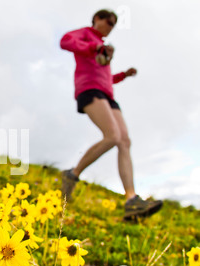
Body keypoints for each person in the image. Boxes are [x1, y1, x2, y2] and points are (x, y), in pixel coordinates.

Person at [59, 9, 162, 221]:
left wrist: (124, 75)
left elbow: (105, 77)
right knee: (112, 136)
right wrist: (93, 46)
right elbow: (65, 41)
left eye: (114, 24)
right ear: (97, 19)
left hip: (106, 93)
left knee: (124, 140)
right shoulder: (86, 35)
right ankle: (72, 174)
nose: (111, 25)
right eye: (109, 21)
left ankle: (131, 200)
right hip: (89, 90)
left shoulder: (103, 48)